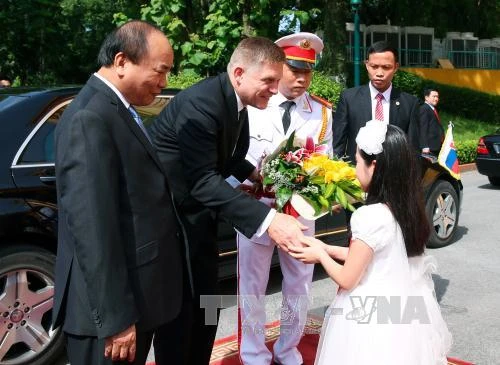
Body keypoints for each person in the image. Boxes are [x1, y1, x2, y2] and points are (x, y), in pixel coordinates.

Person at [149, 37, 308, 365]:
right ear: (239, 73)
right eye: (268, 81)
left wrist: (257, 175)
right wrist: (270, 221)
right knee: (180, 315)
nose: (274, 89)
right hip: (172, 224)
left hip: (200, 221)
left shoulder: (237, 103)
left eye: (277, 82)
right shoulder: (202, 104)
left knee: (208, 305)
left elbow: (232, 156)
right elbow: (202, 180)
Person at [53, 20, 187, 365]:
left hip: (134, 298)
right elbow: (93, 227)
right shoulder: (90, 117)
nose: (164, 83)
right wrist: (116, 319)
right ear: (122, 61)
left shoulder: (117, 109)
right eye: (160, 71)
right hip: (109, 317)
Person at [290, 122, 452, 364]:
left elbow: (348, 278)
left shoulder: (369, 215)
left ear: (374, 166)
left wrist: (320, 256)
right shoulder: (407, 209)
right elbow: (373, 254)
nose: (355, 169)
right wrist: (326, 247)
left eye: (357, 161)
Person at [236, 32, 332, 365]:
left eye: (308, 71)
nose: (302, 78)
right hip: (257, 206)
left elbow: (325, 162)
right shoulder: (254, 103)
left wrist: (321, 189)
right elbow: (236, 156)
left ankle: (287, 347)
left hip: (300, 212)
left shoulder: (321, 113)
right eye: (294, 69)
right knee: (252, 284)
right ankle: (253, 352)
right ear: (279, 67)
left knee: (300, 284)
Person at [331, 40, 421, 163]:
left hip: (394, 174)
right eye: (374, 67)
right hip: (356, 174)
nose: (379, 73)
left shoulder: (410, 104)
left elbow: (413, 148)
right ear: (367, 65)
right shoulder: (349, 98)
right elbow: (338, 144)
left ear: (396, 67)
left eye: (386, 67)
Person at [420, 87, 444, 156]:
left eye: (437, 97)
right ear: (426, 97)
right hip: (429, 148)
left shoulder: (432, 109)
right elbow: (423, 128)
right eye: (434, 96)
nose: (436, 99)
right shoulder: (424, 109)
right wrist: (424, 146)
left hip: (436, 146)